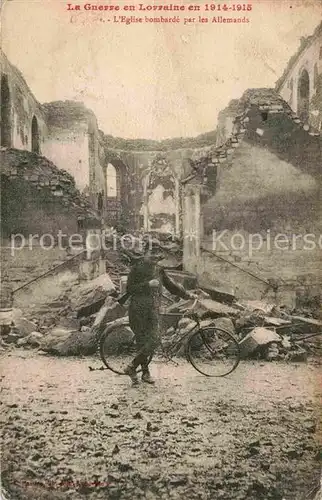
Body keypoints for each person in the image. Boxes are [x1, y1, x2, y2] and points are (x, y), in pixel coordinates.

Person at [123, 244, 197, 386]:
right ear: (144, 253)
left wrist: (188, 295)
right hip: (138, 310)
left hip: (152, 309)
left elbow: (172, 286)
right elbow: (130, 289)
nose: (155, 256)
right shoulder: (136, 268)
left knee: (154, 339)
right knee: (143, 341)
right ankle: (144, 373)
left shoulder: (159, 270)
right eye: (152, 252)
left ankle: (133, 368)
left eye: (157, 253)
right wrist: (147, 284)